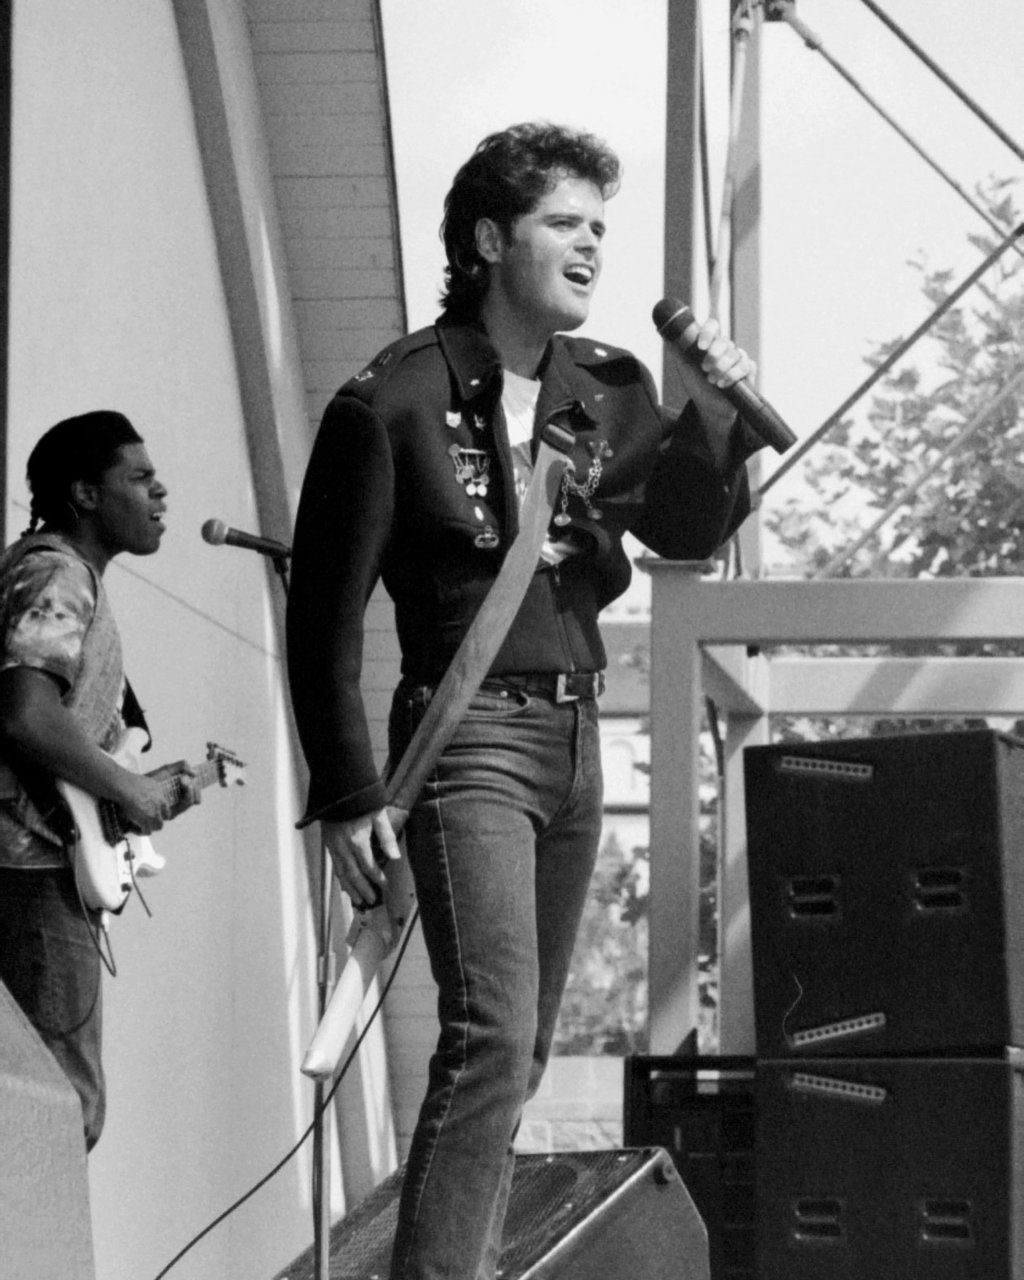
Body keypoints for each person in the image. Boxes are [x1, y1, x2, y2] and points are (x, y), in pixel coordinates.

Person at [286, 122, 766, 1279]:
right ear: (491, 237)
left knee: (524, 1041)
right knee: (489, 1034)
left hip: (574, 737)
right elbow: (324, 614)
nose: (592, 244)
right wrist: (350, 794)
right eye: (566, 222)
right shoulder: (387, 401)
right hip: (467, 742)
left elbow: (691, 527)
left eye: (601, 225)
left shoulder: (606, 387)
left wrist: (722, 415)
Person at [0, 409, 200, 1152]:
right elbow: (26, 713)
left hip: (37, 862)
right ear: (85, 493)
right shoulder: (59, 573)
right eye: (140, 477)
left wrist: (132, 782)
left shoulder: (48, 569)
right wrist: (129, 790)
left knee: (49, 1103)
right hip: (29, 865)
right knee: (58, 1109)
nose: (161, 493)